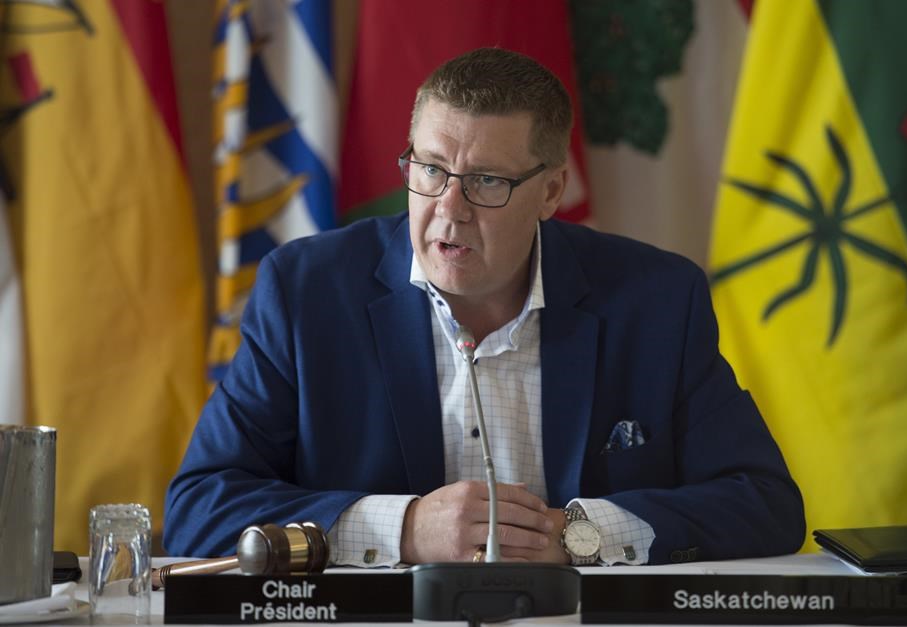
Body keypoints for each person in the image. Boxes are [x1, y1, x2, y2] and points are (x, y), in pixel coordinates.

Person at [164, 47, 805, 566]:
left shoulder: (657, 299)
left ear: (551, 190)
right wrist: (404, 528)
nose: (449, 208)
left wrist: (577, 534)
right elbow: (200, 509)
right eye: (430, 169)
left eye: (487, 182)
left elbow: (766, 504)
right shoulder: (306, 292)